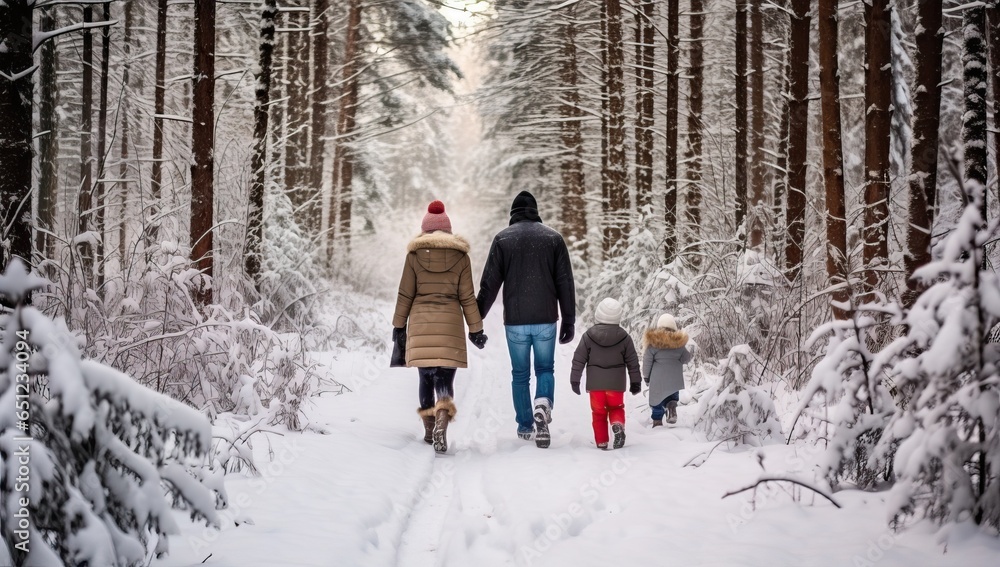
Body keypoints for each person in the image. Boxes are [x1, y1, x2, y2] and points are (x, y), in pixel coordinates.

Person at [477, 191, 576, 448]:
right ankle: (542, 403)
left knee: (520, 374)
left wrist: (475, 318)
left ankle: (524, 425)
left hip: (516, 322)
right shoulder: (553, 239)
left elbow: (490, 284)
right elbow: (565, 282)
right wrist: (569, 319)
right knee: (545, 368)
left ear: (513, 214)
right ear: (536, 211)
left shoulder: (503, 239)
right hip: (545, 319)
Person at [393, 200, 488, 454]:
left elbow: (405, 294)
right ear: (448, 231)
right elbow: (467, 296)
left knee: (425, 377)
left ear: (425, 230)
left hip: (421, 323)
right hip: (450, 325)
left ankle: (428, 428)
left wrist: (398, 325)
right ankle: (443, 417)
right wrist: (476, 329)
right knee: (444, 378)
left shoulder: (414, 256)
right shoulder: (461, 257)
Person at [569, 298, 642, 450]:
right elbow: (633, 362)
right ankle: (617, 425)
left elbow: (578, 359)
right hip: (616, 386)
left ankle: (602, 442)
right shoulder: (625, 338)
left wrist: (575, 380)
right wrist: (636, 382)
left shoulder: (588, 336)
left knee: (598, 414)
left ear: (598, 314)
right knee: (616, 408)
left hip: (596, 387)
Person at [642, 313, 692, 426]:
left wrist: (646, 376)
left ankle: (657, 421)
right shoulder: (679, 344)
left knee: (657, 402)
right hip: (674, 380)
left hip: (658, 380)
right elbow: (686, 358)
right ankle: (671, 408)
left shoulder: (653, 344)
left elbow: (647, 361)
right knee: (672, 398)